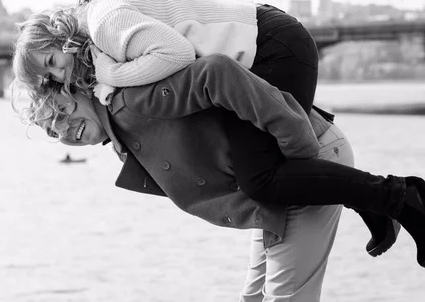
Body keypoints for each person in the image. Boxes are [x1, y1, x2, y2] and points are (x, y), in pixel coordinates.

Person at [11, 0, 403, 257]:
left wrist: (110, 80)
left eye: (51, 63)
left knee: (263, 178)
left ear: (59, 33)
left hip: (271, 47)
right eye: (50, 78)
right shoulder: (101, 48)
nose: (59, 77)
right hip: (248, 58)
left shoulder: (104, 24)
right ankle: (377, 206)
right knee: (264, 175)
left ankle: (397, 197)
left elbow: (178, 55)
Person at [24, 55, 425, 299]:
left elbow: (217, 72)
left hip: (303, 159)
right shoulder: (123, 134)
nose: (62, 131)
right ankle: (380, 200)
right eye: (51, 131)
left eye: (59, 112)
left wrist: (299, 151)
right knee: (254, 297)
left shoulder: (132, 99)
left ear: (75, 88)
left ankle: (395, 197)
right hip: (272, 195)